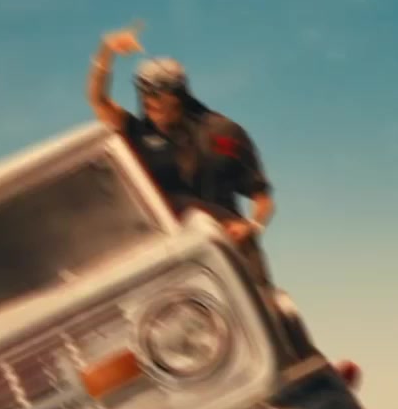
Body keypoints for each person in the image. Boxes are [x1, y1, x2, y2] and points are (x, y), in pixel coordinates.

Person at [86, 24, 277, 289]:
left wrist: (251, 226)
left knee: (261, 303)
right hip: (177, 252)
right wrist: (106, 51)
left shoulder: (223, 132)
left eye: (157, 93)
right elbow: (98, 100)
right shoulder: (137, 134)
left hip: (229, 243)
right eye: (143, 92)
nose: (149, 100)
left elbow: (262, 197)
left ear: (177, 95)